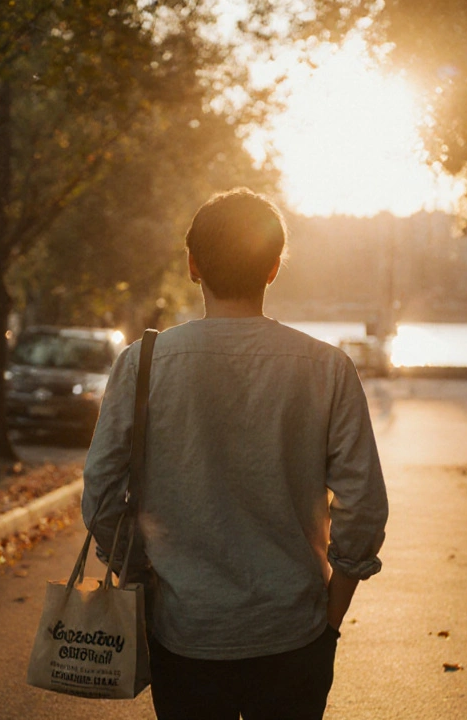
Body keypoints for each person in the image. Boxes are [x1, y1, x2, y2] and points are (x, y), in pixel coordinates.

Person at [82, 188, 389, 720]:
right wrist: (331, 618)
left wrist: (145, 582)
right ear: (273, 269)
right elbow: (364, 508)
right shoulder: (328, 367)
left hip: (185, 634)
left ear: (192, 266)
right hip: (296, 634)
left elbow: (102, 497)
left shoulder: (143, 363)